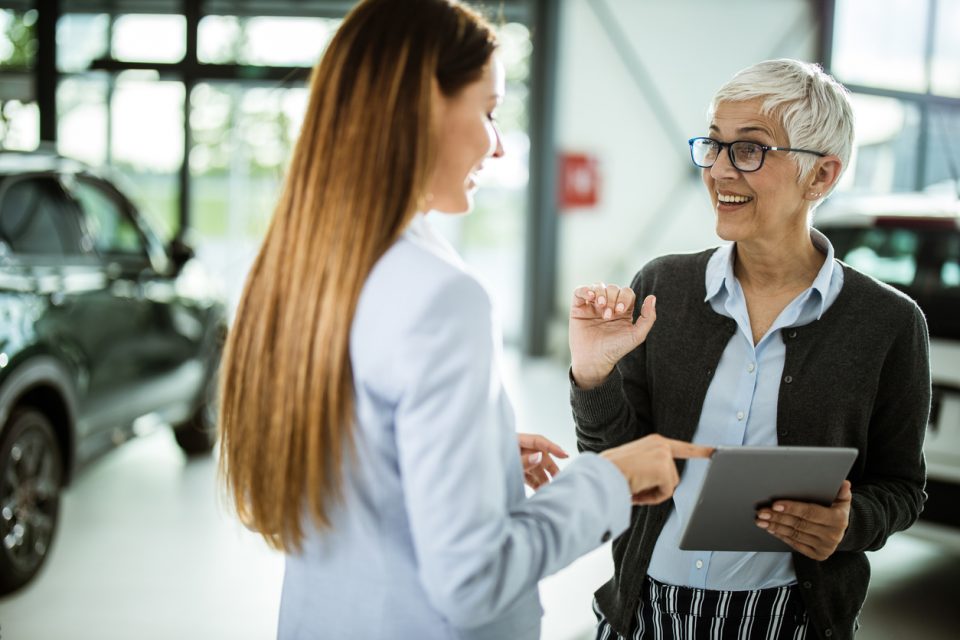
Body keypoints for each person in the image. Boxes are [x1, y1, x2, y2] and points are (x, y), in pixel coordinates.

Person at [217, 1, 712, 639]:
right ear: (420, 104)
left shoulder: (302, 268)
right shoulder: (440, 295)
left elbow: (347, 453)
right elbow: (472, 579)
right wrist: (609, 480)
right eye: (489, 111)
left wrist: (469, 460)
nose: (500, 145)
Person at [569, 59, 930, 640]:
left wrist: (850, 523)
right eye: (713, 146)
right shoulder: (663, 288)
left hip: (789, 618)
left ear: (821, 176)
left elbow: (902, 488)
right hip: (646, 609)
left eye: (749, 150)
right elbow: (615, 462)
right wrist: (592, 377)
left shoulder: (887, 323)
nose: (718, 170)